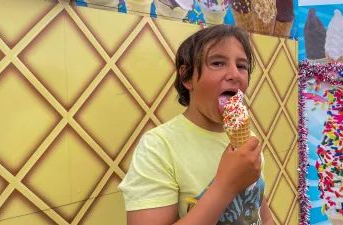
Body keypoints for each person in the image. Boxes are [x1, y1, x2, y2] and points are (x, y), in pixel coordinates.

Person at [118, 24, 275, 225]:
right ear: (186, 77)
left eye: (242, 66)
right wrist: (225, 185)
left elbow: (262, 213)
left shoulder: (249, 140)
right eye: (218, 63)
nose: (235, 74)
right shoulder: (158, 147)